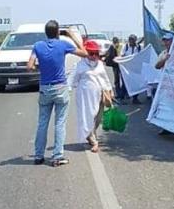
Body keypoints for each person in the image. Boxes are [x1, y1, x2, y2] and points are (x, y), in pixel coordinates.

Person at [27, 20, 87, 166]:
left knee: (42, 123)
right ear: (57, 32)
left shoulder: (38, 46)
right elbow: (84, 53)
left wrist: (40, 68)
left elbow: (29, 66)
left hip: (45, 88)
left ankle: (38, 155)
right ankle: (57, 156)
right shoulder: (63, 45)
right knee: (60, 123)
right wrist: (72, 36)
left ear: (45, 32)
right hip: (60, 87)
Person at [73, 40, 113, 153]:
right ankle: (94, 140)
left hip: (100, 94)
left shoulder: (99, 64)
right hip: (85, 95)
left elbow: (105, 78)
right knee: (88, 116)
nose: (94, 56)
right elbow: (74, 81)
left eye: (96, 54)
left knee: (98, 118)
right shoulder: (80, 65)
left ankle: (91, 134)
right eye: (91, 54)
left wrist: (110, 91)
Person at [121, 34, 142, 104]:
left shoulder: (139, 47)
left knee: (135, 83)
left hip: (135, 68)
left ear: (135, 40)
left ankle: (135, 98)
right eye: (130, 39)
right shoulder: (125, 46)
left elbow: (141, 55)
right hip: (126, 68)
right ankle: (122, 99)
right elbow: (122, 55)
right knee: (125, 83)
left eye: (132, 40)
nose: (131, 41)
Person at [104, 37, 125, 101]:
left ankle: (121, 93)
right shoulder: (113, 47)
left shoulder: (119, 47)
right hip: (116, 65)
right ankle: (120, 94)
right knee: (119, 80)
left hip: (117, 65)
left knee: (119, 80)